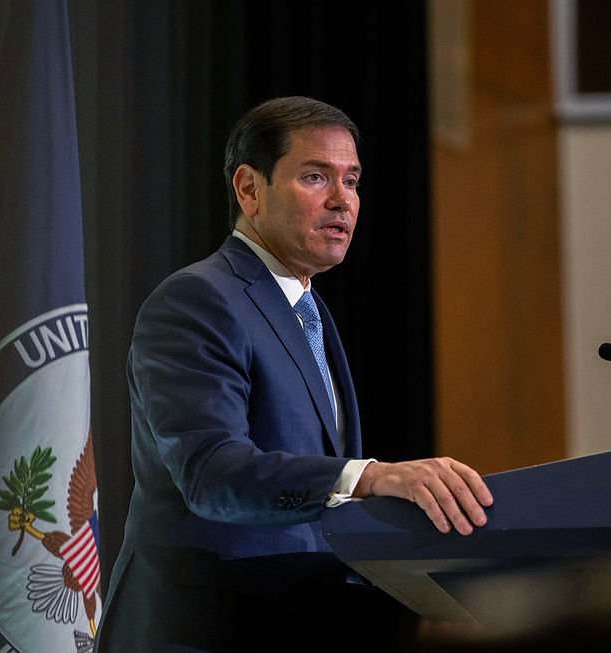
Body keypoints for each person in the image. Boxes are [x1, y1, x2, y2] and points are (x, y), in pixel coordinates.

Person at [95, 96, 493, 652]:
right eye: (315, 177)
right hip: (198, 629)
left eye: (352, 181)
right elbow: (213, 474)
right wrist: (370, 476)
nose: (342, 201)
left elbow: (314, 508)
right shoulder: (198, 299)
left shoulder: (308, 309)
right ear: (249, 190)